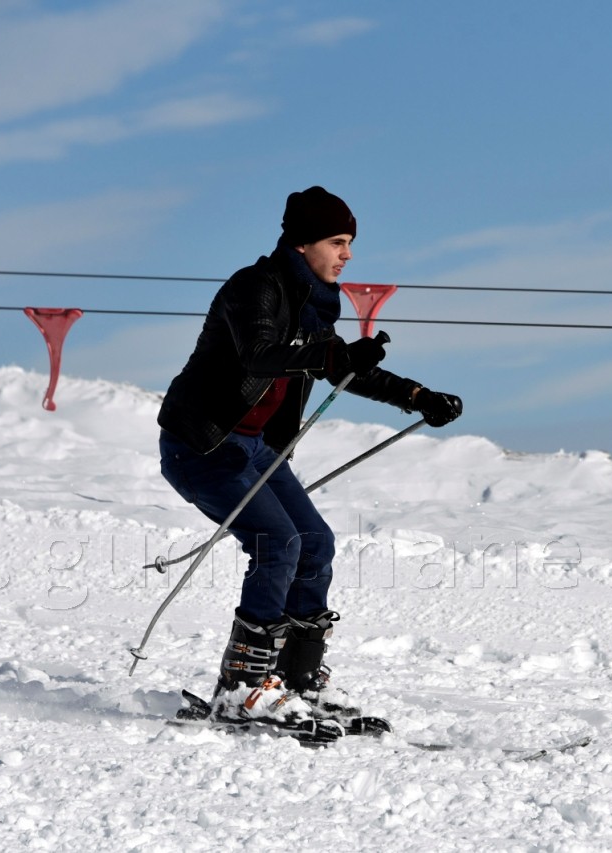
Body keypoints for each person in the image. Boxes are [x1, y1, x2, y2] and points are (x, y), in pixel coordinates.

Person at [157, 186, 463, 726]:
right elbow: (261, 353)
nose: (348, 254)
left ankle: (296, 682)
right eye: (338, 242)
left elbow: (340, 365)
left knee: (315, 542)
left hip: (256, 449)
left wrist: (417, 396)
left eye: (350, 243)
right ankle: (243, 688)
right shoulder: (254, 288)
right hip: (203, 446)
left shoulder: (316, 302)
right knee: (278, 541)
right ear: (302, 244)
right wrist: (329, 352)